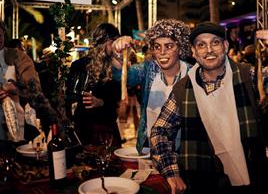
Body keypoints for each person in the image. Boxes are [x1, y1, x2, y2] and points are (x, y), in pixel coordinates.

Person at [150, 21, 267, 194]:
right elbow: (159, 131)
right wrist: (171, 170)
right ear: (194, 52)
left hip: (253, 176)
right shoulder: (183, 89)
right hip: (203, 181)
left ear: (225, 46)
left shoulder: (248, 76)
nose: (209, 50)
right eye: (201, 45)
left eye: (215, 42)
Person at [0, 16, 56, 162]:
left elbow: (35, 90)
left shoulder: (17, 57)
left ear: (5, 36)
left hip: (11, 135)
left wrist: (14, 88)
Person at [112, 18, 192, 153]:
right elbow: (121, 76)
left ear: (180, 48)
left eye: (169, 46)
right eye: (157, 46)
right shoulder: (148, 69)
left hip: (182, 149)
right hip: (148, 146)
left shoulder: (191, 74)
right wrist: (118, 54)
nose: (162, 52)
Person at [66, 23, 122, 148]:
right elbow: (70, 98)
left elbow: (117, 98)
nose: (115, 46)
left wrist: (101, 102)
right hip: (86, 128)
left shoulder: (115, 67)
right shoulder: (79, 65)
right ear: (105, 41)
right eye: (113, 41)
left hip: (108, 126)